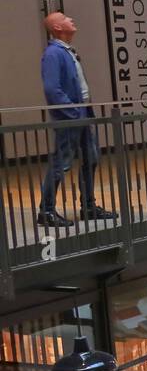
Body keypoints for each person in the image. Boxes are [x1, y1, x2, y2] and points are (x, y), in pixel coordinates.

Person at [38, 12, 117, 228]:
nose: (71, 20)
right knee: (61, 163)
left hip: (81, 114)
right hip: (71, 117)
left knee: (90, 159)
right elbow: (52, 89)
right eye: (65, 18)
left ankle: (89, 207)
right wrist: (73, 111)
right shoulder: (53, 54)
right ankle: (46, 210)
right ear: (57, 27)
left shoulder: (66, 51)